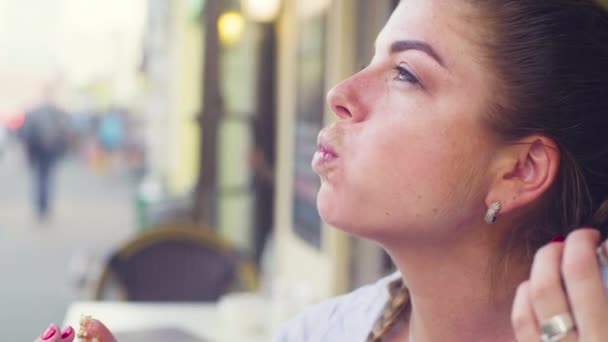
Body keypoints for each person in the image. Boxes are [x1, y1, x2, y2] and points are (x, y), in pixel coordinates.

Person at [34, 0, 608, 341]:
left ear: (521, 169)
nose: (340, 92)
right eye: (372, 59)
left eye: (406, 73)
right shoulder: (321, 331)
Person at [20, 91, 70, 221]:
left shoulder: (33, 112)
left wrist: (27, 151)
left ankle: (41, 206)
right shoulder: (58, 112)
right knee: (48, 176)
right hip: (52, 149)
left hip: (37, 148)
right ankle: (45, 205)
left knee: (39, 177)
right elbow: (65, 131)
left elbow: (26, 133)